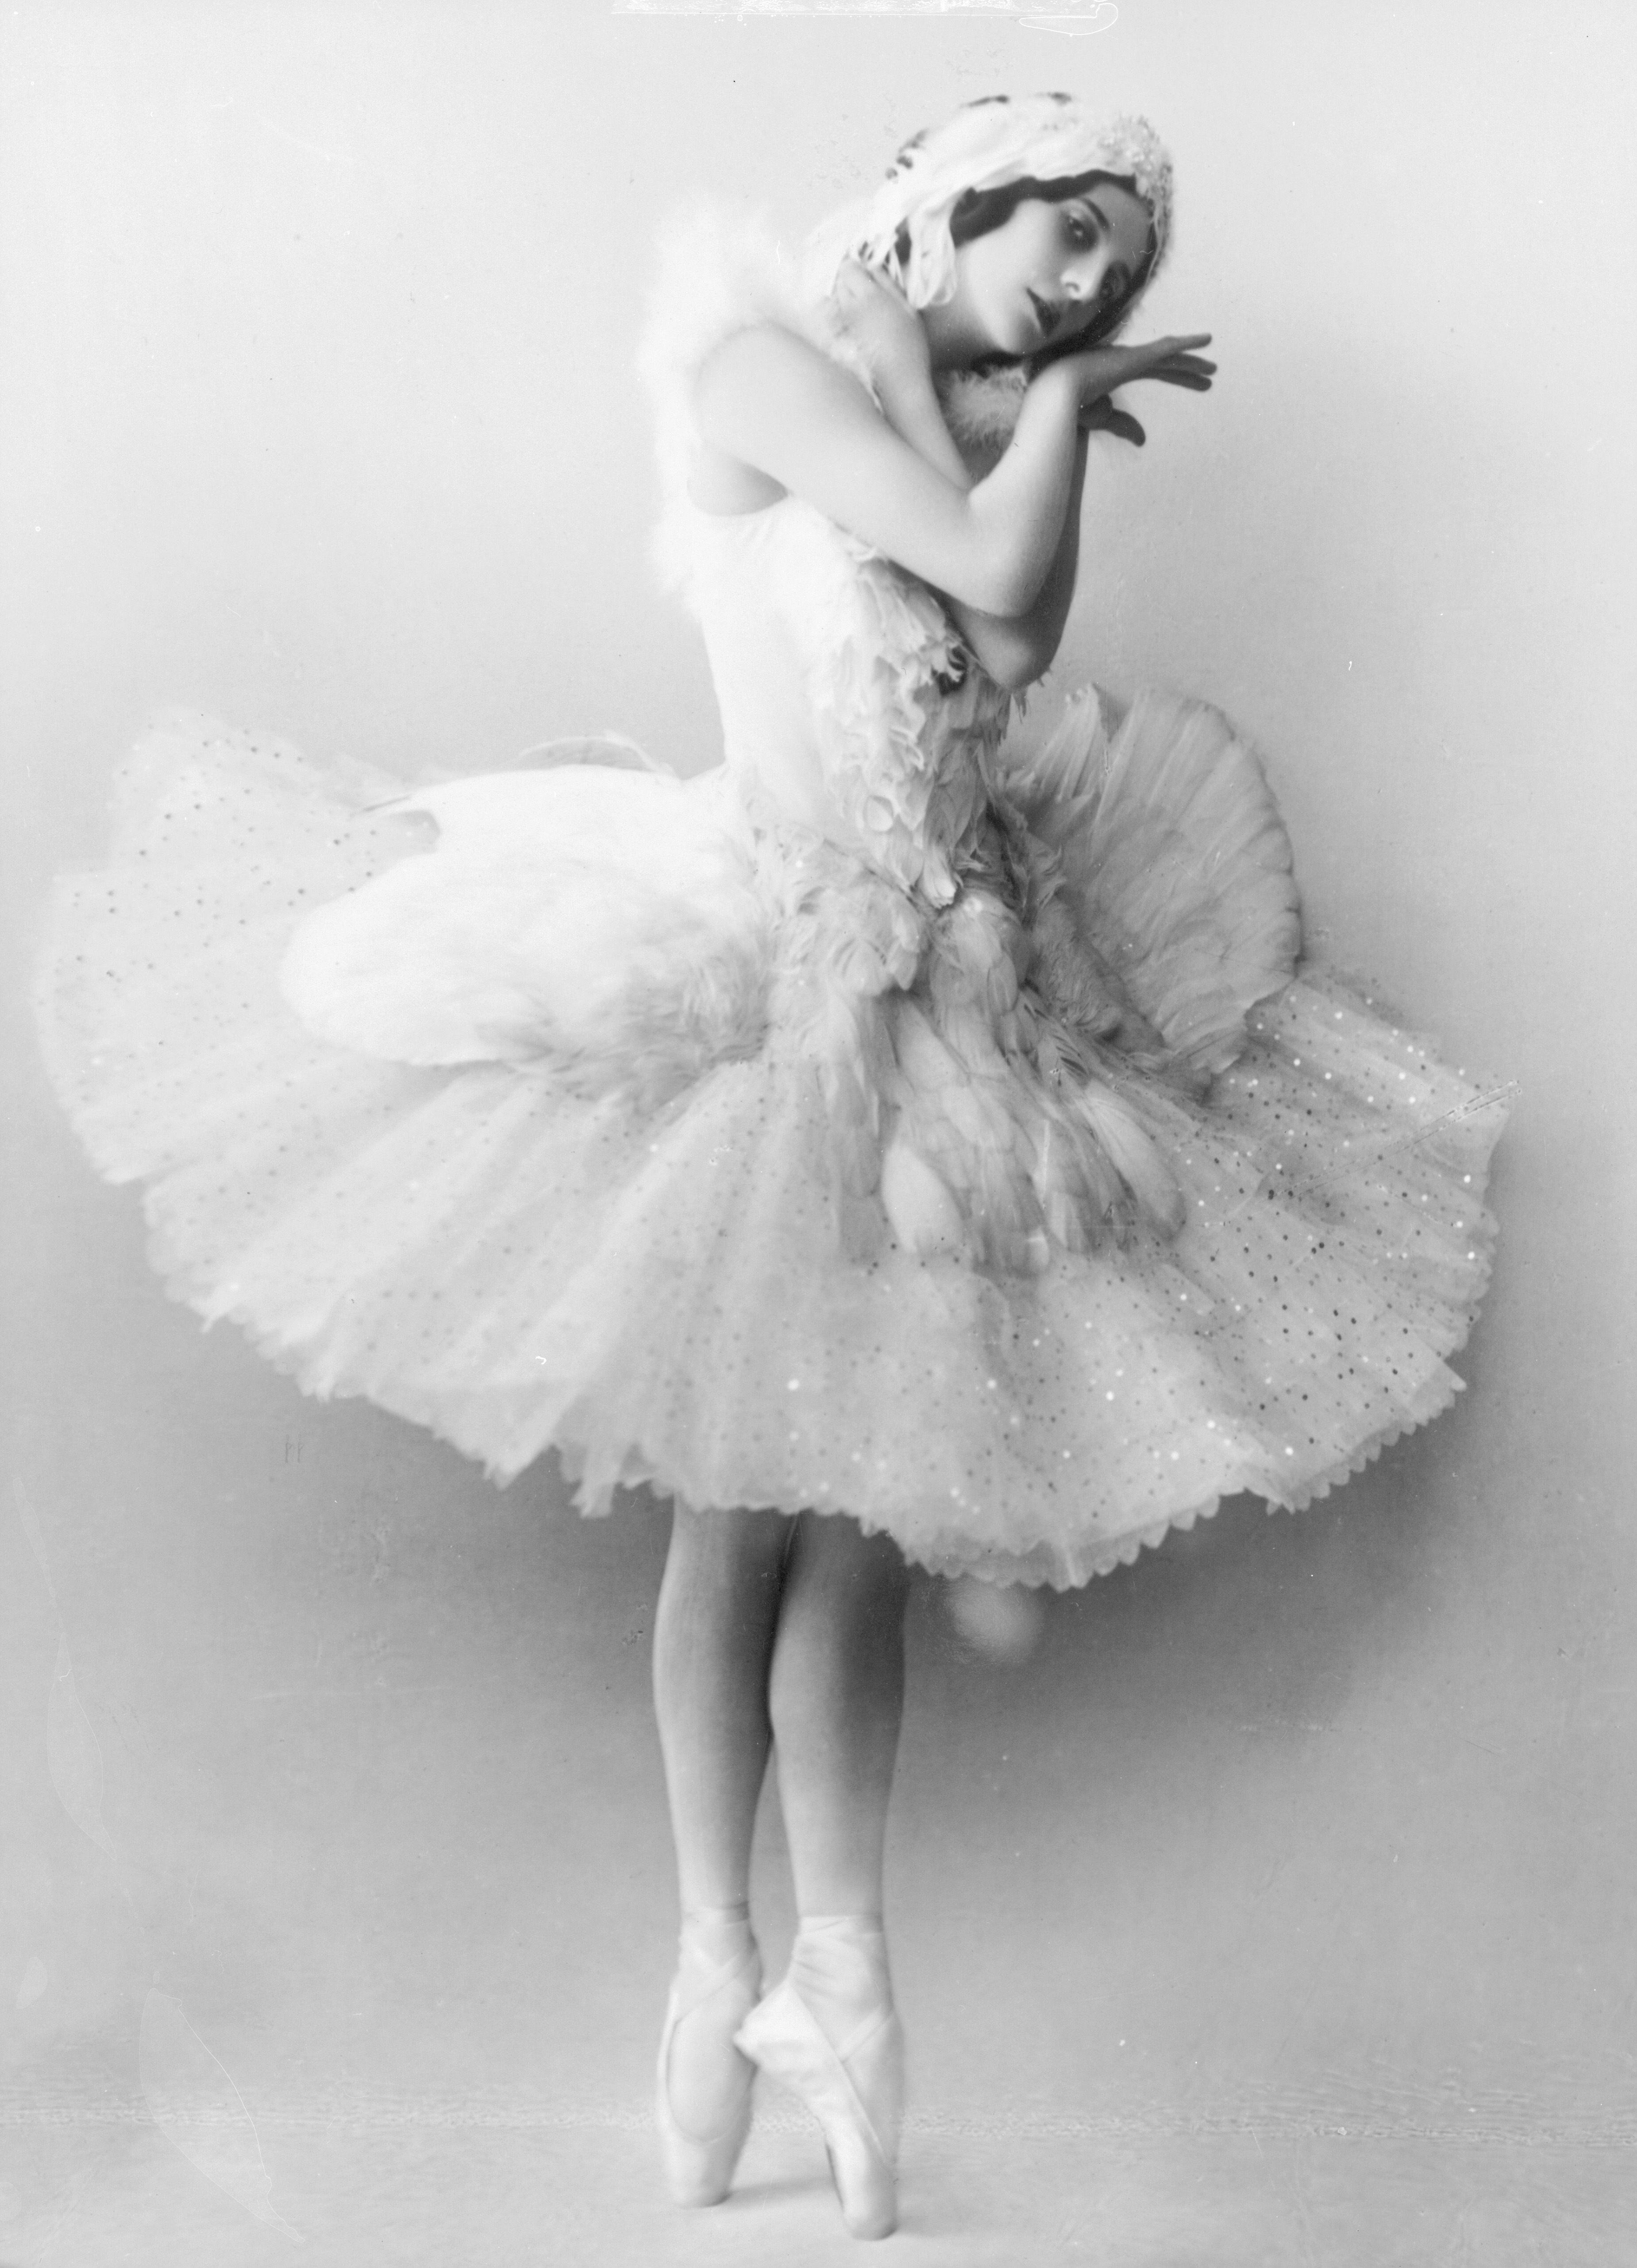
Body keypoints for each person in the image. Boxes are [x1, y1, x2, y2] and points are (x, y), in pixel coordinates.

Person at [34, 93, 1506, 2245]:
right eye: (1067, 237)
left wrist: (1042, 401)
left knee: (866, 1527)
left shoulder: (951, 407)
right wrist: (1067, 413)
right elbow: (997, 588)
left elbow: (1004, 654)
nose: (1091, 286)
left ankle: (848, 1980)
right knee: (742, 1517)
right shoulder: (757, 367)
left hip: (960, 980)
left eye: (1120, 266)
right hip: (769, 964)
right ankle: (717, 1958)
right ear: (942, 210)